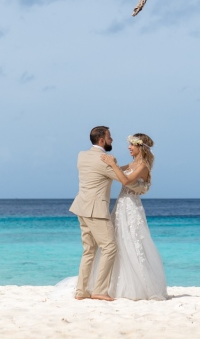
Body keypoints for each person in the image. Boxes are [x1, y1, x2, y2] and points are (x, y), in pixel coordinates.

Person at [96, 133, 168, 301]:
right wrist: (107, 166)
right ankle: (111, 284)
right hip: (121, 204)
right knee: (118, 240)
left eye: (131, 145)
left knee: (132, 240)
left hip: (131, 206)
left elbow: (126, 181)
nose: (129, 147)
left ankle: (138, 286)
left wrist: (113, 164)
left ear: (139, 146)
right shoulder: (133, 163)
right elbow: (117, 174)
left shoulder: (143, 165)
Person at [67, 125, 120, 301]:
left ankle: (81, 291)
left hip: (81, 207)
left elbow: (104, 172)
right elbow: (122, 178)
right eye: (110, 137)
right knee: (110, 248)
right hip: (95, 210)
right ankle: (100, 290)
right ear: (102, 140)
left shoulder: (81, 156)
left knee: (88, 251)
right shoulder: (104, 160)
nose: (112, 139)